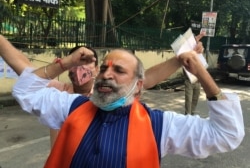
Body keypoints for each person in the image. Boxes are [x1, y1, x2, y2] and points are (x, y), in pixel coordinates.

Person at [12, 47, 244, 168]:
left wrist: (201, 72)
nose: (106, 75)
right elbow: (25, 91)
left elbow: (226, 134)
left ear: (138, 85)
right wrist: (66, 63)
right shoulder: (72, 106)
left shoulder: (159, 126)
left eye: (119, 71)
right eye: (103, 69)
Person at [0, 34, 205, 147]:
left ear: (98, 69)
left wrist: (180, 58)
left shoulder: (108, 95)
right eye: (78, 62)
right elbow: (25, 69)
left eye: (89, 62)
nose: (82, 68)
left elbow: (147, 77)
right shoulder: (59, 94)